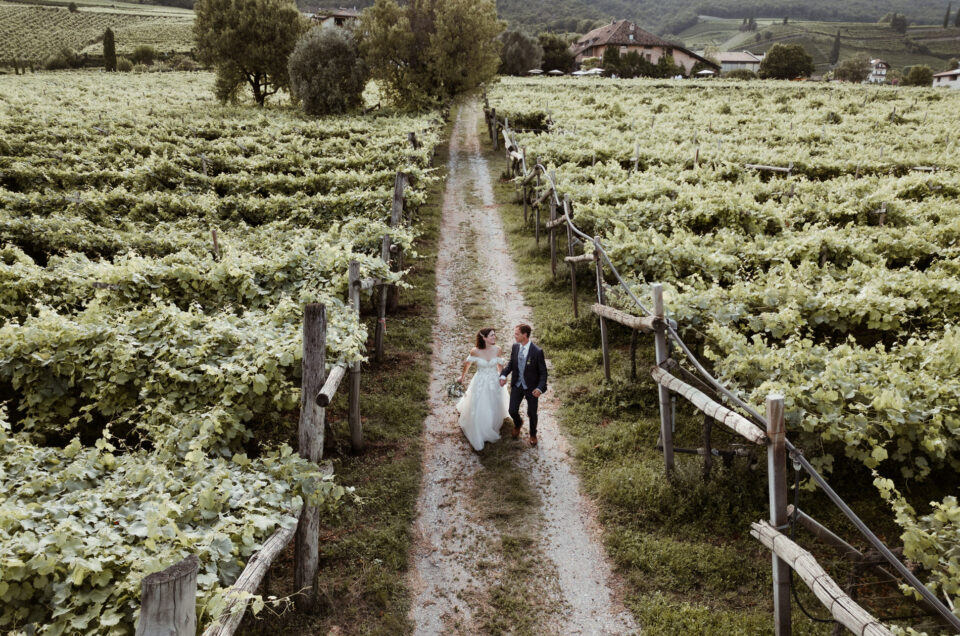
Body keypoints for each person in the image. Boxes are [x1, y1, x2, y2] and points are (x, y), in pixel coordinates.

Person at [456, 328, 510, 451]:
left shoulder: (497, 349)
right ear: (484, 338)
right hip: (479, 381)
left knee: (493, 403)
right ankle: (478, 428)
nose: (494, 337)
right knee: (478, 404)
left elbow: (500, 366)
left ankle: (491, 424)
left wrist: (502, 377)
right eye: (491, 336)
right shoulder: (475, 351)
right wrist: (462, 377)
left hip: (493, 380)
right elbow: (467, 364)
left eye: (494, 335)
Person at [499, 324, 547, 446]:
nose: (514, 336)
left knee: (532, 413)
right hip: (517, 385)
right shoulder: (515, 347)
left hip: (532, 388)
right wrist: (504, 375)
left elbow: (543, 374)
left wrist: (539, 388)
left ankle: (532, 434)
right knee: (512, 410)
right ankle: (518, 423)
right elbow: (511, 364)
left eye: (517, 334)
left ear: (525, 335)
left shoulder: (537, 352)